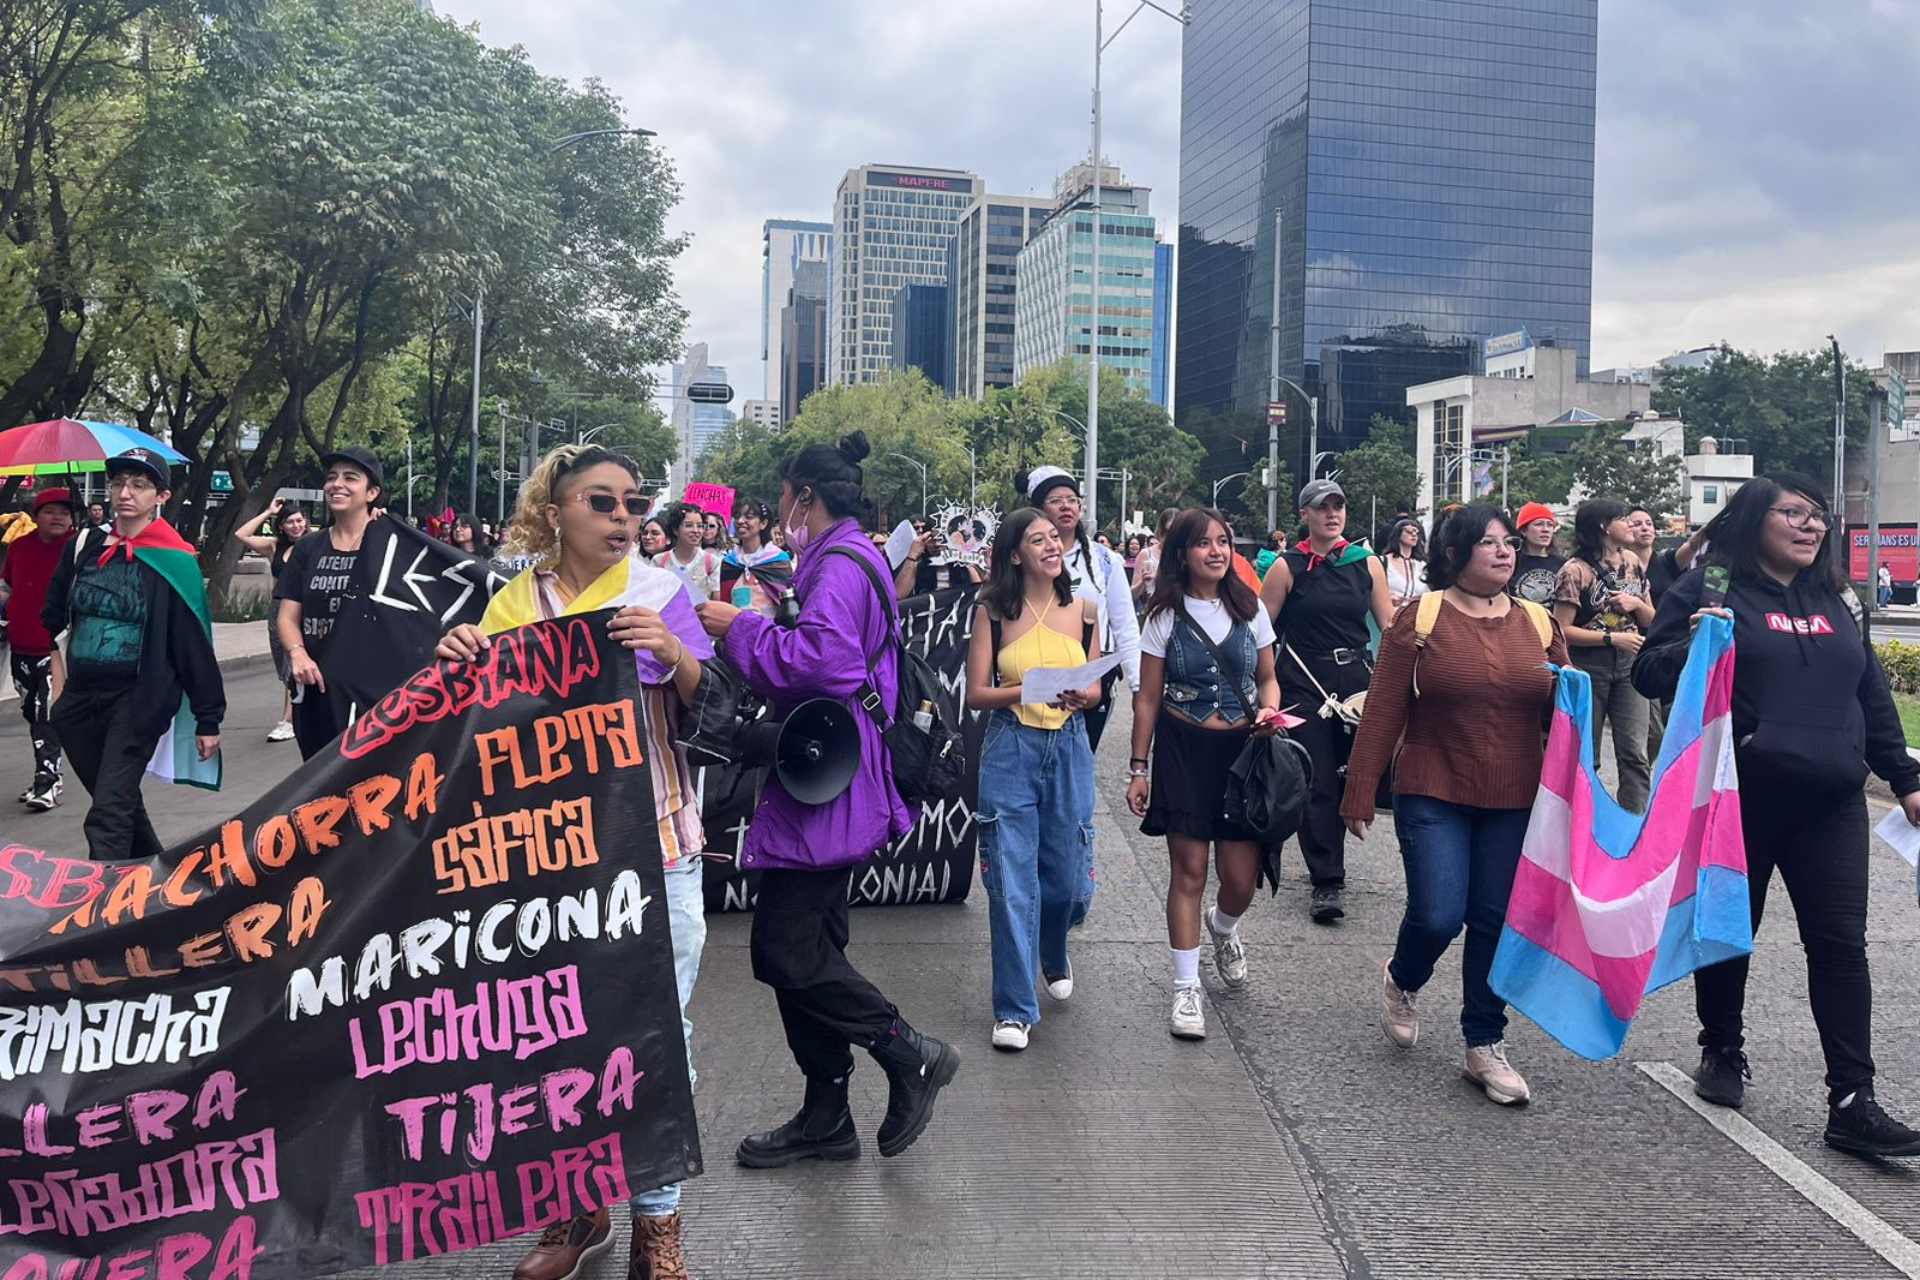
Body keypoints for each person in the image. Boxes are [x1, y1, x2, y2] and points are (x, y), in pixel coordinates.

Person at [435, 445, 711, 1280]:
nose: (624, 518)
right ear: (555, 514)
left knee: (661, 1037)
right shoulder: (512, 605)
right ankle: (576, 1208)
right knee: (563, 1042)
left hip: (657, 845)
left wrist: (676, 654)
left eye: (633, 504)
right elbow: (471, 737)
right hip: (551, 863)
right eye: (604, 502)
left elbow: (724, 710)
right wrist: (454, 667)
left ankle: (657, 1228)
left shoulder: (663, 596)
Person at [1634, 473, 1920, 1159]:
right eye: (1792, 513)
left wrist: (1906, 778)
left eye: (1816, 516)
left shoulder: (1836, 595)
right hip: (1743, 797)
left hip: (1832, 801)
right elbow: (1650, 673)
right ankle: (1722, 1047)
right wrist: (1696, 643)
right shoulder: (1712, 587)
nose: (1809, 525)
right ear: (1756, 520)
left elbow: (1870, 689)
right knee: (1733, 930)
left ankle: (1853, 1099)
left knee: (1841, 946)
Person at [697, 431, 959, 1169]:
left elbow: (825, 661)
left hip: (831, 787)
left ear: (802, 497)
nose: (778, 510)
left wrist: (740, 628)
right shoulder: (844, 556)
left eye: (783, 497)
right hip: (827, 776)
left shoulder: (839, 564)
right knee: (810, 950)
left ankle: (908, 1051)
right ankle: (826, 1113)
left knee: (787, 950)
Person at [1341, 506, 1567, 1105]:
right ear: (1457, 553)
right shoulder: (1423, 617)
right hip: (1432, 785)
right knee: (1440, 913)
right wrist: (1359, 789)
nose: (1503, 552)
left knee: (1494, 919)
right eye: (1487, 543)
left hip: (1515, 795)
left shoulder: (1539, 623)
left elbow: (1569, 713)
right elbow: (1386, 707)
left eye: (1508, 543)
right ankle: (1404, 977)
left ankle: (1483, 1043)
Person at [1127, 508, 1283, 1040]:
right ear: (1183, 554)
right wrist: (1138, 767)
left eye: (1223, 541)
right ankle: (1186, 987)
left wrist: (1268, 710)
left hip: (1242, 751)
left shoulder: (1250, 607)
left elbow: (1268, 677)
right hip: (1184, 748)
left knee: (1240, 880)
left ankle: (1225, 927)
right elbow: (1147, 697)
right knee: (1189, 872)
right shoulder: (1164, 615)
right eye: (1203, 544)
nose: (1215, 551)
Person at [42, 450, 223, 860]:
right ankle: (159, 879)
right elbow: (53, 617)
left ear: (161, 495)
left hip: (138, 700)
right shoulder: (85, 545)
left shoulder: (175, 561)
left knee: (107, 811)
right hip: (79, 701)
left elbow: (192, 644)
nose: (125, 493)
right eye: (119, 483)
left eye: (139, 486)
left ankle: (103, 913)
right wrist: (60, 685)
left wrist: (208, 718)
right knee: (118, 801)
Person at [965, 509, 1102, 1052]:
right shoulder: (993, 611)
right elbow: (977, 692)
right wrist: (1029, 690)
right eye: (1037, 539)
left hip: (1069, 744)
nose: (1052, 545)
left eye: (1055, 537)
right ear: (1015, 555)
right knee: (1010, 879)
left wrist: (1081, 693)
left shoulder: (1086, 610)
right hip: (1011, 745)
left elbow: (1094, 684)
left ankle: (1052, 947)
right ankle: (1015, 1008)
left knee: (1068, 878)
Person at [1260, 479, 1394, 923]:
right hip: (1304, 682)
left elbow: (1389, 627)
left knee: (1359, 772)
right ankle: (1327, 881)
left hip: (1356, 678)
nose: (1331, 514)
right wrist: (1261, 688)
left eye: (1338, 505)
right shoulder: (1287, 566)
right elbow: (1262, 634)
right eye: (1322, 507)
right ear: (1305, 514)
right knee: (1316, 778)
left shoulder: (1366, 563)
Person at [276, 447, 383, 760]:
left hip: (373, 694)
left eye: (351, 478)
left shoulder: (388, 543)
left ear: (372, 492)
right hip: (317, 691)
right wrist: (297, 655)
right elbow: (287, 616)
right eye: (332, 477)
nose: (337, 484)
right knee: (320, 784)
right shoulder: (308, 548)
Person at [1024, 466, 1140, 751]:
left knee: (1079, 762)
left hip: (1091, 679)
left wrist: (1138, 685)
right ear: (1038, 509)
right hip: (1035, 673)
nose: (1066, 506)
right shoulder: (1024, 558)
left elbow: (1125, 625)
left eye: (1072, 499)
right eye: (1055, 500)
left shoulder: (1105, 560)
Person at [1552, 498, 1655, 813]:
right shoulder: (1574, 570)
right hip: (1588, 666)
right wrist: (1611, 638)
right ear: (1603, 527)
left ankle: (1633, 827)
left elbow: (1653, 619)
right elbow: (1562, 630)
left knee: (1635, 753)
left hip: (1629, 665)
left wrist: (1636, 606)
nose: (1629, 524)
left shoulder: (1634, 563)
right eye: (1622, 518)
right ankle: (1585, 822)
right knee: (1587, 754)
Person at [0, 487, 77, 809]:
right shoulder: (19, 547)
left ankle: (47, 781)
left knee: (47, 714)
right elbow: (7, 588)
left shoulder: (78, 548)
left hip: (55, 648)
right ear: (36, 516)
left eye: (64, 511)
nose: (57, 517)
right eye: (49, 511)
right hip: (21, 644)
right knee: (33, 713)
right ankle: (47, 774)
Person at [231, 498, 308, 743]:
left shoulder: (316, 544)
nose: (295, 526)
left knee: (292, 663)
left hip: (305, 610)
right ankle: (301, 712)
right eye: (289, 522)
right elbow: (241, 534)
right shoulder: (275, 547)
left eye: (299, 520)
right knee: (283, 667)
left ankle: (288, 720)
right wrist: (268, 511)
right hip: (278, 609)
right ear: (282, 526)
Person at [720, 498, 792, 617]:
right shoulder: (730, 562)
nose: (740, 521)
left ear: (763, 523)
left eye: (749, 517)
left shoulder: (778, 560)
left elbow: (786, 604)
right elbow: (725, 603)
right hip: (736, 629)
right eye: (737, 516)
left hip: (769, 631)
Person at [654, 502, 724, 602]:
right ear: (675, 529)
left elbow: (716, 601)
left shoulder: (712, 562)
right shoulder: (659, 561)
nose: (696, 530)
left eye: (700, 526)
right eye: (689, 525)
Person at [1507, 502, 1565, 605]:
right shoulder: (1511, 561)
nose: (1545, 530)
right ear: (1524, 531)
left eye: (1550, 525)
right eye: (1539, 524)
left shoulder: (1563, 564)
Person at [1381, 517, 1427, 609]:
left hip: (1416, 617)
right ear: (1398, 534)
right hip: (1390, 616)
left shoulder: (1421, 565)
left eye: (1416, 532)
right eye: (1409, 531)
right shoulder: (1383, 561)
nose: (1414, 535)